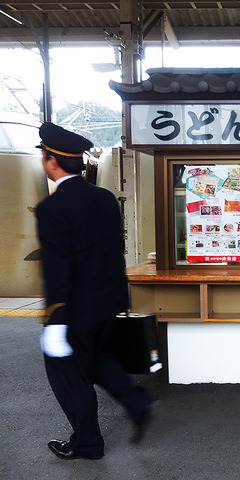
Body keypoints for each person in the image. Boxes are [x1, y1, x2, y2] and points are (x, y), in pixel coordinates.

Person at [35, 122, 155, 460]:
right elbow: (114, 249)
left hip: (74, 310)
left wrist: (56, 320)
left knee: (68, 375)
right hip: (110, 302)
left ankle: (87, 443)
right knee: (98, 360)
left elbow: (57, 266)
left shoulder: (52, 208)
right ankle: (137, 401)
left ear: (51, 161)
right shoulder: (104, 198)